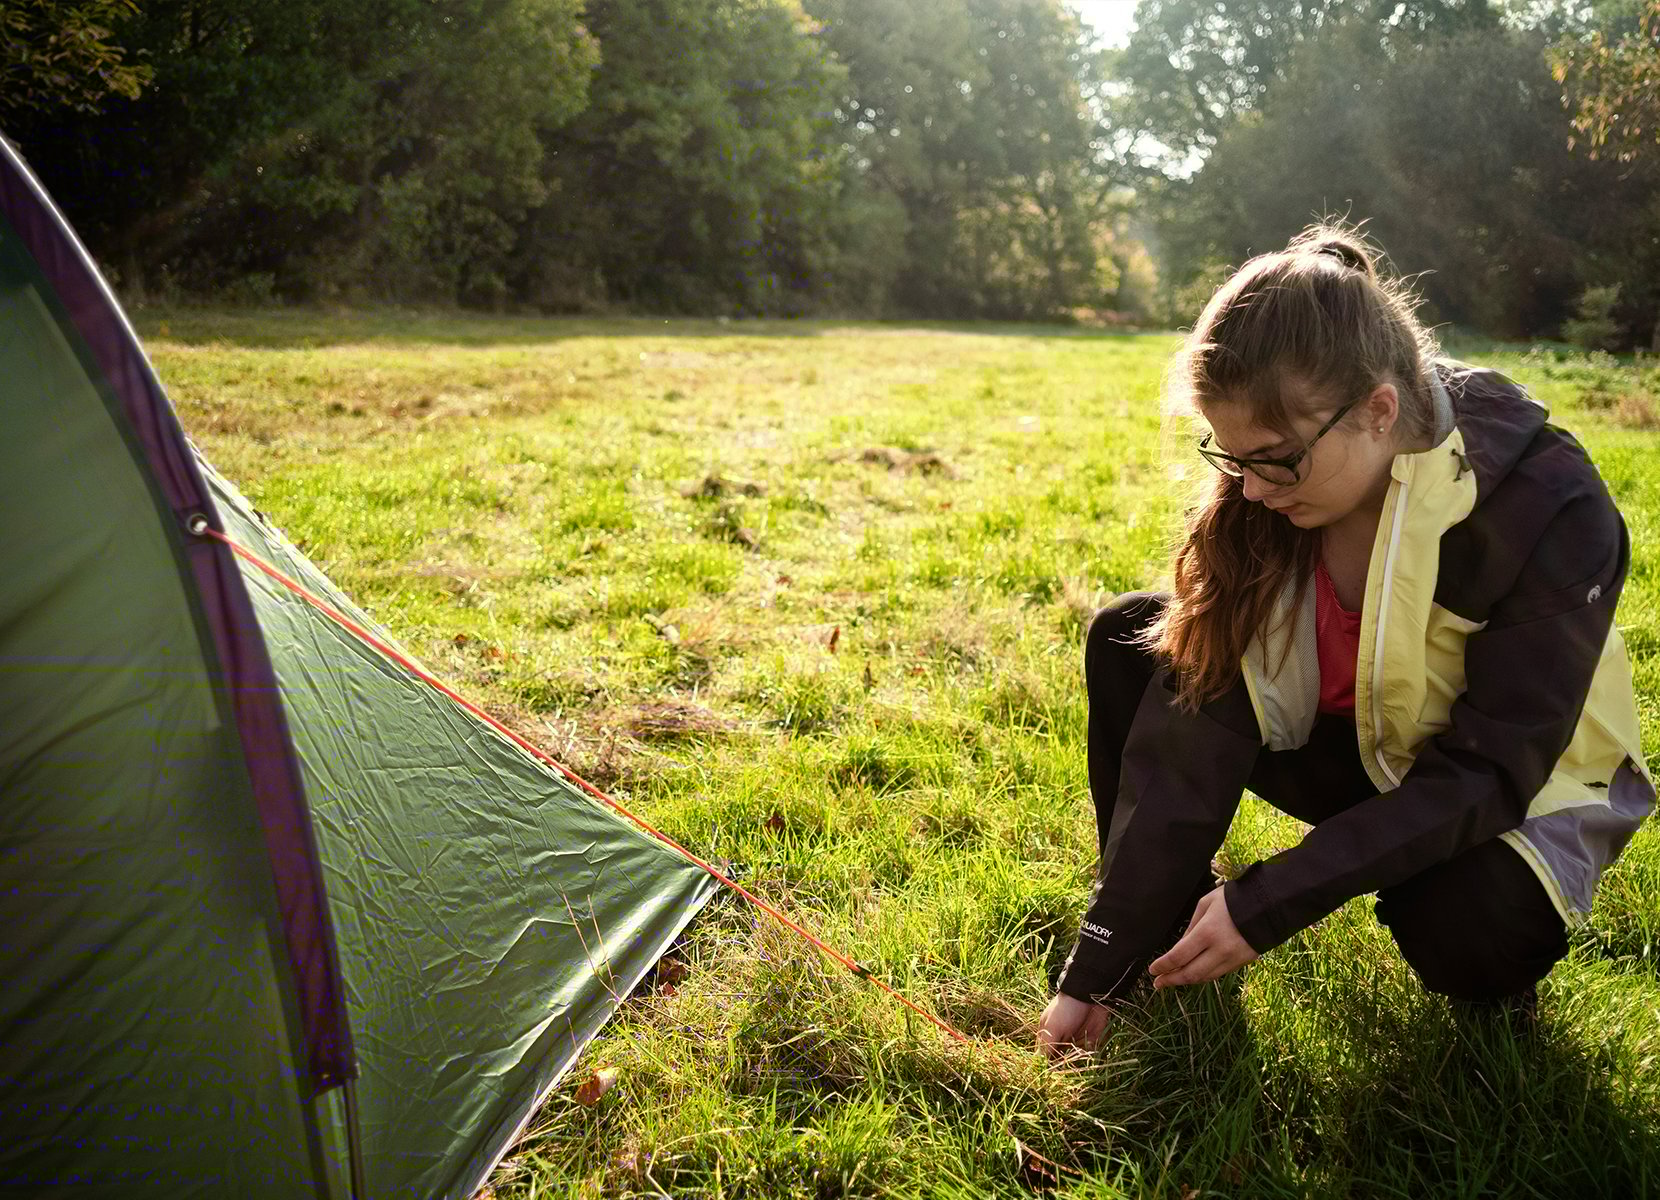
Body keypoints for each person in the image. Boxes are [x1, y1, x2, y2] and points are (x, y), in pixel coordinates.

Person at [1036, 224, 1654, 1059]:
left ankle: (1493, 961)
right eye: (1232, 458)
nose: (1250, 489)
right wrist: (1102, 960)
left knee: (1468, 929)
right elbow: (1189, 741)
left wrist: (1273, 898)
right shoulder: (1266, 500)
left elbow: (1492, 771)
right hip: (1355, 752)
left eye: (1277, 460)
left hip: (1506, 793)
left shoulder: (1549, 505)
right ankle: (1175, 929)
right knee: (1129, 640)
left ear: (1378, 411)